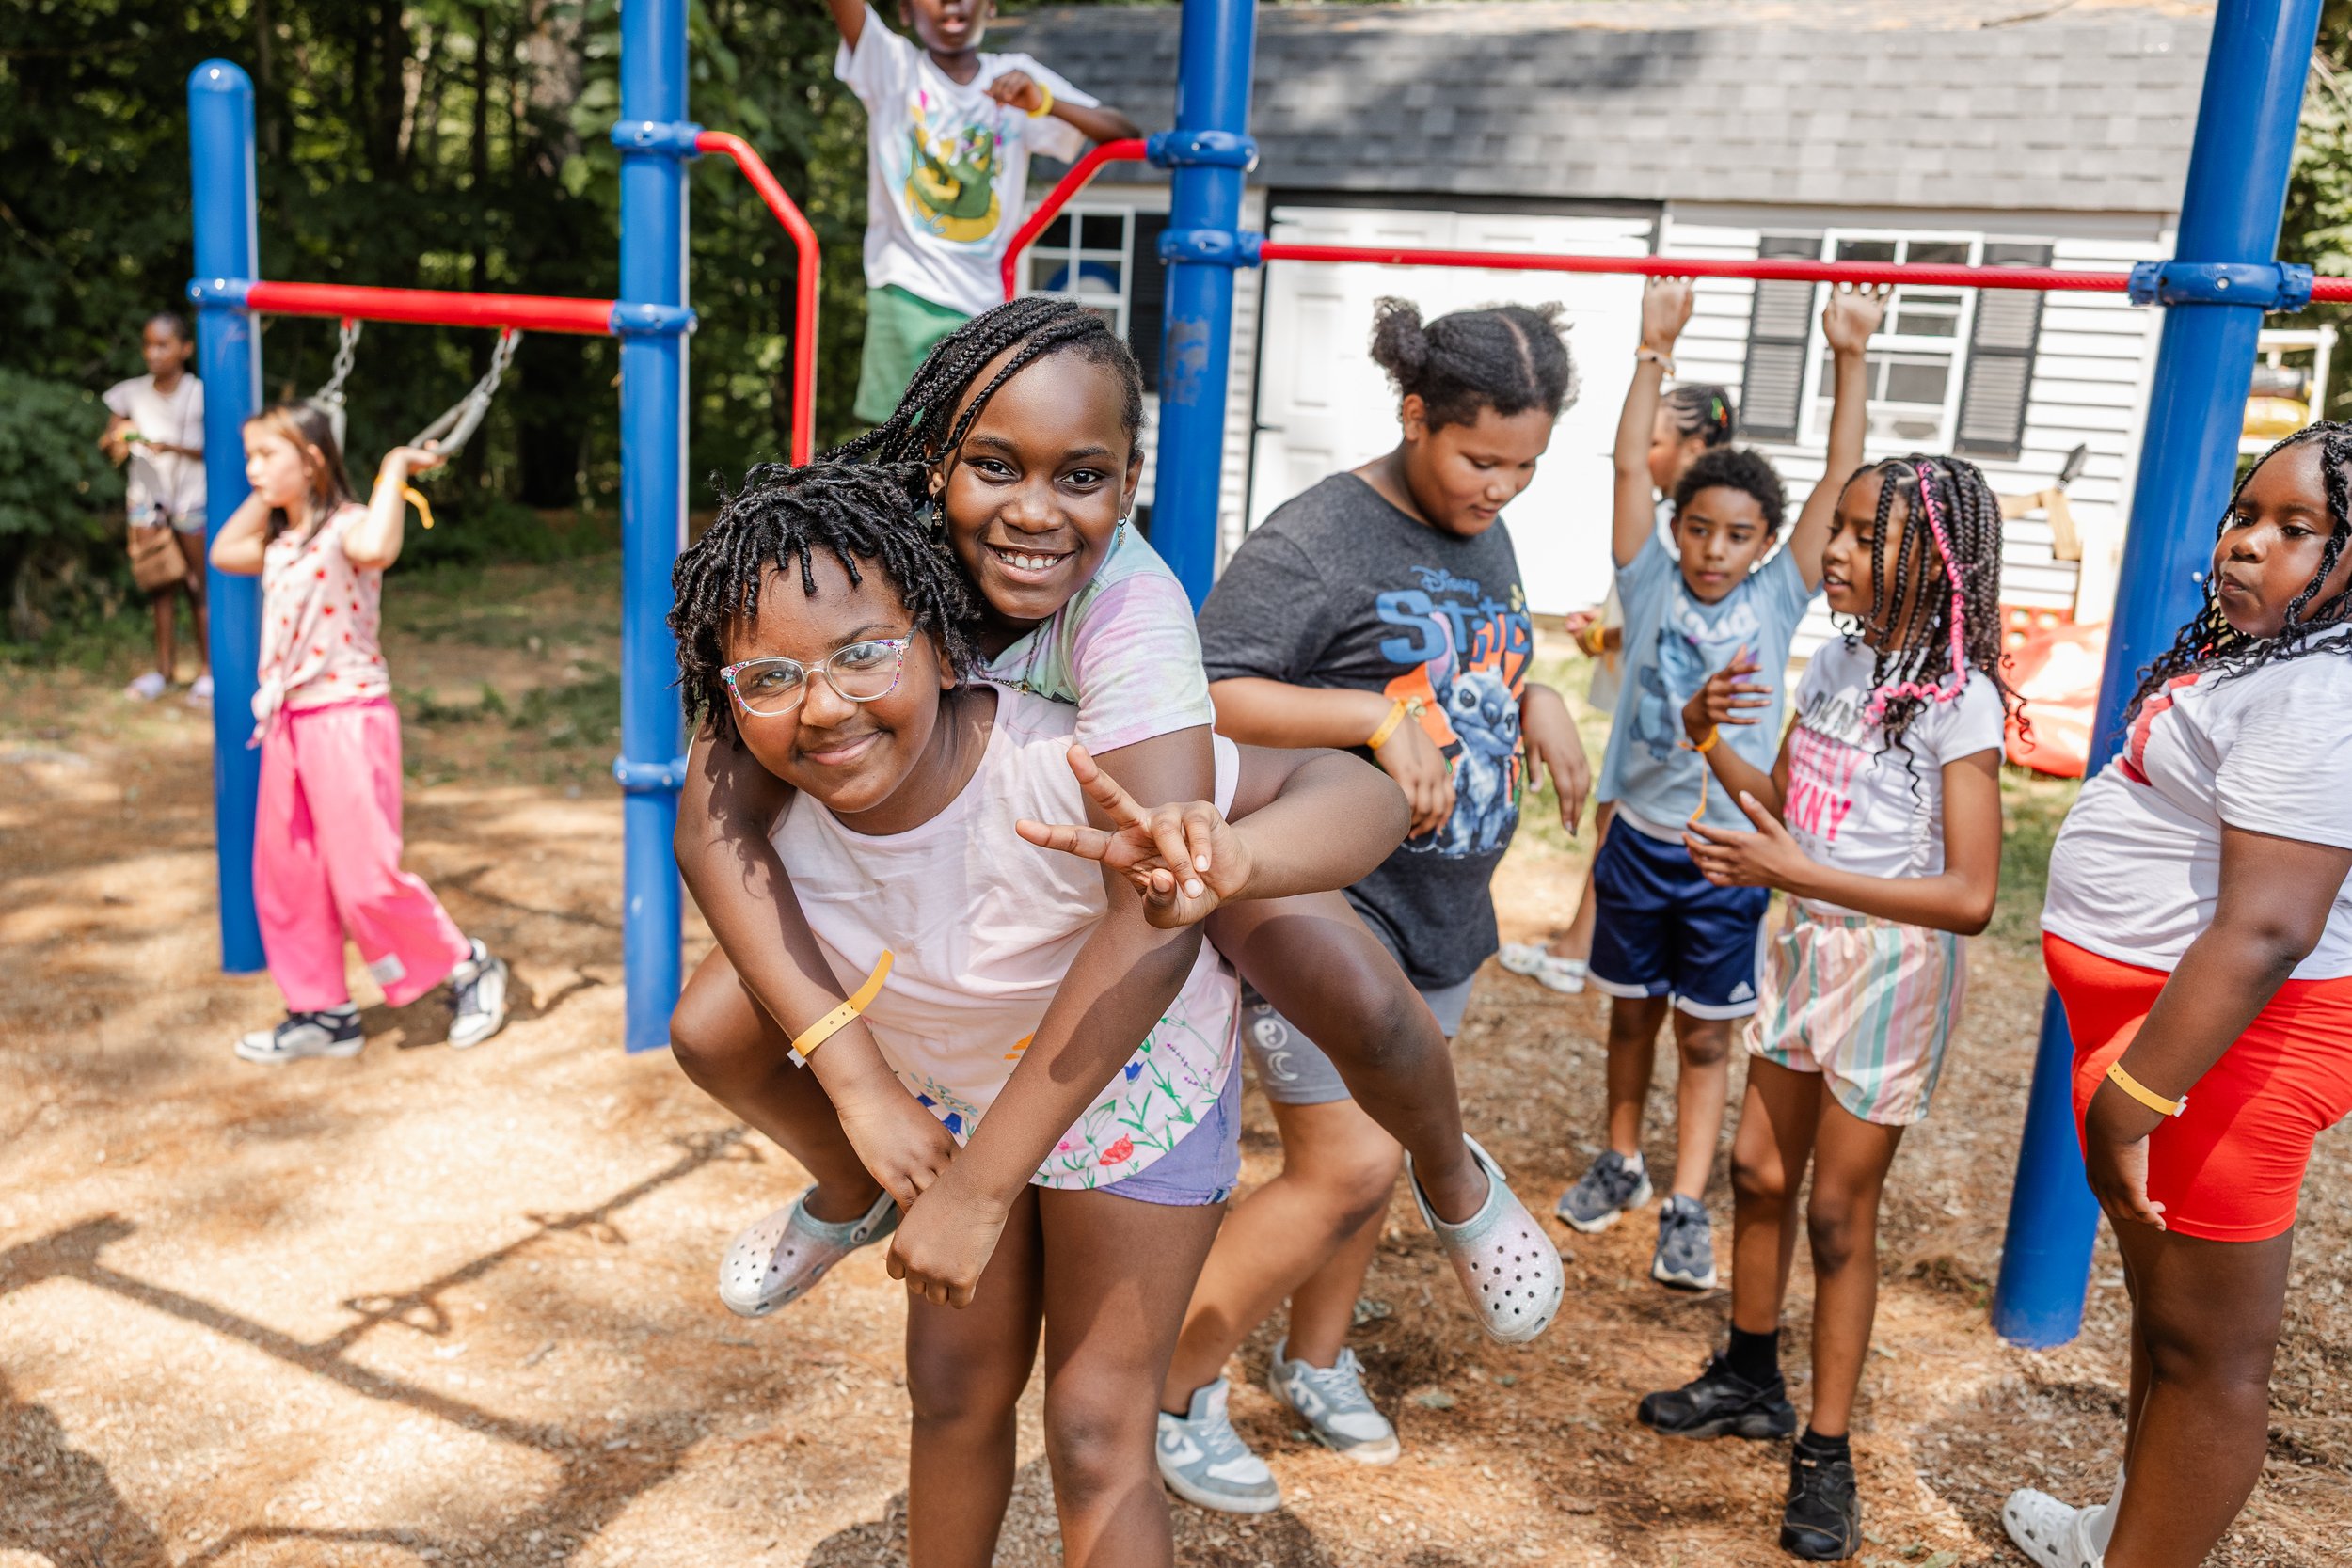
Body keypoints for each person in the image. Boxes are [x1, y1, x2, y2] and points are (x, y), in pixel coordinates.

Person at [673, 298, 1563, 1358]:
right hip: (968, 850)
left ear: (1126, 482)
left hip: (1148, 854)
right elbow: (711, 821)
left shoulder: (1125, 606)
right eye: (993, 467)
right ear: (929, 464)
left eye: (1079, 476)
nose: (1034, 513)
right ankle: (851, 1177)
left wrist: (986, 1184)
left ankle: (1455, 1176)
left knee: (1358, 997)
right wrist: (858, 1090)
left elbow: (1161, 891)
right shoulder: (860, 551)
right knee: (713, 1026)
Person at [664, 460, 1411, 1568]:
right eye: (769, 678)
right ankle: (850, 1191)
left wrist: (1228, 855)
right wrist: (870, 1108)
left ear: (934, 633)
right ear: (725, 702)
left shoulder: (1062, 760)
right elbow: (709, 848)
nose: (823, 704)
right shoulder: (786, 789)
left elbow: (1346, 787)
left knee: (1096, 1427)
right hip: (961, 1093)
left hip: (1128, 1085)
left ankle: (1456, 1180)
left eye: (864, 654)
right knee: (952, 1390)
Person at [1145, 298, 1589, 1512]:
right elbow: (1209, 687)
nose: (1500, 488)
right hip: (1336, 908)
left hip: (1446, 909)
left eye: (1524, 467)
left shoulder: (1476, 524)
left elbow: (1477, 659)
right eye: (1479, 457)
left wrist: (1540, 700)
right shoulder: (1319, 537)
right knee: (1339, 1166)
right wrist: (1361, 718)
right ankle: (1169, 1389)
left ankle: (1317, 1357)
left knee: (1379, 1156)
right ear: (1414, 415)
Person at [1636, 455, 2011, 1561]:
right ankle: (1750, 1371)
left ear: (1932, 563)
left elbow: (1972, 895)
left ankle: (1826, 1447)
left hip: (1891, 968)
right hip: (1801, 942)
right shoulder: (1838, 656)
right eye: (1837, 530)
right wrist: (1709, 741)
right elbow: (1788, 806)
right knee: (1758, 1172)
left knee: (1839, 1215)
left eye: (1858, 536)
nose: (1834, 553)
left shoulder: (1961, 699)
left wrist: (1791, 874)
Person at [2002, 423, 2352, 1568]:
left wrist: (2133, 1095)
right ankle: (2125, 1534)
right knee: (2170, 1319)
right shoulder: (2275, 663)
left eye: (2297, 530)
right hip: (2176, 1028)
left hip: (2228, 1043)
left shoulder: (2323, 692)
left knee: (2211, 1360)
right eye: (2243, 516)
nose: (2249, 545)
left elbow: (2268, 926)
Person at [1557, 278, 1883, 1293]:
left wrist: (1847, 356)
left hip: (1724, 855)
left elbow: (1841, 471)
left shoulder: (1782, 596)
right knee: (1629, 1015)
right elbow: (1623, 461)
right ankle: (1620, 1158)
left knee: (1705, 1032)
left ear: (1768, 540)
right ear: (1677, 524)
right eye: (1698, 528)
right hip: (1642, 837)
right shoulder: (1648, 579)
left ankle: (1688, 1200)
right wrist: (1652, 348)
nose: (1712, 549)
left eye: (1737, 534)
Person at [208, 404, 508, 1064]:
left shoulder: (347, 530)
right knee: (289, 876)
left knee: (365, 879)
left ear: (312, 460)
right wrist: (272, 489)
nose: (252, 469)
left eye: (266, 456)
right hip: (289, 721)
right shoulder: (282, 543)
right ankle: (321, 1009)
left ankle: (467, 966)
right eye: (251, 456)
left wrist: (395, 466)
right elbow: (221, 551)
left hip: (347, 716)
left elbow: (379, 546)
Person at [1500, 380, 1736, 995]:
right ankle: (1580, 940)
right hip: (1644, 694)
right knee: (1616, 809)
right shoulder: (1666, 515)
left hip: (1662, 705)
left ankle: (1582, 946)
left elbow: (1662, 621)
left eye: (1655, 441)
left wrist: (1600, 638)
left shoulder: (1684, 523)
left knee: (1619, 810)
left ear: (1696, 445)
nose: (1641, 454)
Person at [827, 0, 1141, 424]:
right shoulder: (895, 69)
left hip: (986, 301)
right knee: (895, 433)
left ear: (990, 8)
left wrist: (1043, 102)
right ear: (905, 12)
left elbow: (1122, 135)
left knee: (971, 433)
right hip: (906, 287)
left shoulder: (1014, 76)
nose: (951, 3)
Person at [102, 312, 211, 705]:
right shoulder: (130, 393)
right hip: (147, 503)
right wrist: (118, 439)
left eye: (163, 344)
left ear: (185, 348)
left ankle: (207, 671)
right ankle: (163, 670)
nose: (153, 353)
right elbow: (109, 442)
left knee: (198, 586)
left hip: (193, 500)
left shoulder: (201, 392)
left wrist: (171, 447)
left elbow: (221, 448)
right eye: (148, 344)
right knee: (158, 585)